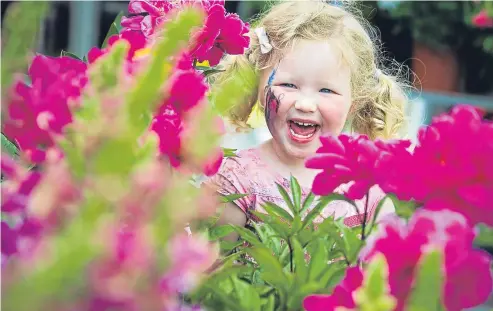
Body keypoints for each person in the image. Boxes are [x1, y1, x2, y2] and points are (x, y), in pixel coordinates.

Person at [204, 0, 410, 243]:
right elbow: (214, 271)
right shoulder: (235, 181)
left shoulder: (368, 189)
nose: (305, 104)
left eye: (326, 90)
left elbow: (382, 272)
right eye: (288, 85)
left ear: (354, 101)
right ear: (257, 90)